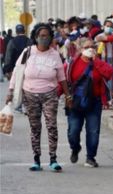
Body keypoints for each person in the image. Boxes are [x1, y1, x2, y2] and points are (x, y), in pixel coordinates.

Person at [5, 23, 72, 171]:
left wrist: (68, 96)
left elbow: (62, 77)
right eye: (41, 36)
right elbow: (17, 72)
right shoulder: (28, 52)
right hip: (30, 95)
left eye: (47, 36)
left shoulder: (55, 54)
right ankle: (37, 160)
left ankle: (53, 159)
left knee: (51, 126)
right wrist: (10, 92)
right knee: (35, 127)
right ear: (35, 37)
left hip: (50, 94)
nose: (44, 38)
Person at [66, 38, 113, 167]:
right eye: (87, 47)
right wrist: (59, 95)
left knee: (93, 131)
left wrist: (96, 60)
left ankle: (90, 157)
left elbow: (109, 73)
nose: (91, 49)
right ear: (80, 49)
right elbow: (63, 81)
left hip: (95, 102)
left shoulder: (98, 63)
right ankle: (75, 148)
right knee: (73, 131)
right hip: (76, 102)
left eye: (93, 46)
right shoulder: (72, 64)